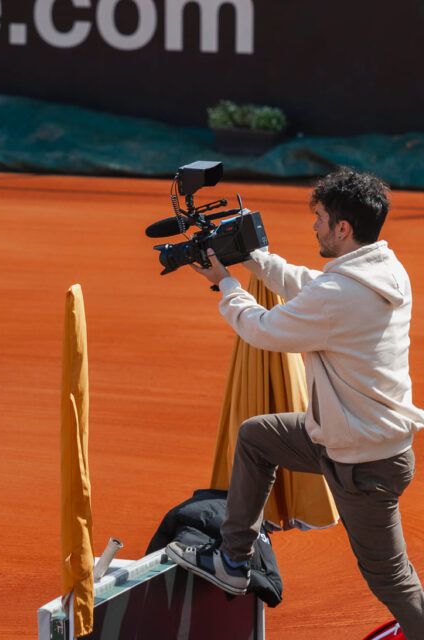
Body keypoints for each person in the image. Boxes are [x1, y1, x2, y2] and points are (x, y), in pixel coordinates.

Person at [168, 168, 424, 636]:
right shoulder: (383, 270)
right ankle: (234, 559)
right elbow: (312, 287)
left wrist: (226, 283)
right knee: (258, 436)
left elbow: (263, 329)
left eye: (321, 219)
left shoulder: (338, 295)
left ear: (342, 229)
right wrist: (257, 259)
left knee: (391, 579)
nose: (315, 226)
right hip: (350, 437)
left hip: (364, 463)